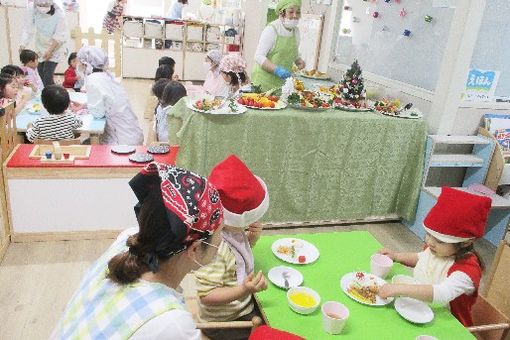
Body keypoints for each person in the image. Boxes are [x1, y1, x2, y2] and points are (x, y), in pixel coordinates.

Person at [51, 162, 224, 339]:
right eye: (220, 233)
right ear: (194, 249)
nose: (220, 242)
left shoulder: (126, 242)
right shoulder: (171, 324)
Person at [378, 186, 492, 327]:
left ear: (465, 243)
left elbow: (442, 293)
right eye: (429, 235)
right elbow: (421, 258)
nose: (430, 242)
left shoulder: (467, 271)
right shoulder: (439, 250)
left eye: (439, 240)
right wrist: (396, 256)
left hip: (449, 324)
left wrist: (399, 288)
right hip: (419, 309)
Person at [195, 154, 269, 340]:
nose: (252, 221)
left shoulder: (228, 229)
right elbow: (206, 294)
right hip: (222, 322)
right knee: (270, 326)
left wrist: (252, 237)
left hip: (239, 301)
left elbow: (236, 259)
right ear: (233, 217)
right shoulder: (214, 248)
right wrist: (243, 290)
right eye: (249, 218)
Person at [71, 46, 144, 145]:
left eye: (79, 62)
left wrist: (87, 108)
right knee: (87, 142)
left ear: (85, 63)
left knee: (85, 144)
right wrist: (84, 105)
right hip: (132, 134)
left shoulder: (93, 79)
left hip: (121, 142)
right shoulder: (107, 76)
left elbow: (98, 113)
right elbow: (107, 100)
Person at [251, 0, 305, 91]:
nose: (295, 16)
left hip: (282, 83)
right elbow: (258, 56)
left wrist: (299, 61)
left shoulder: (296, 32)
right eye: (291, 12)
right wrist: (277, 70)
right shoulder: (271, 30)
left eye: (298, 12)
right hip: (263, 82)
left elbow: (293, 52)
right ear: (281, 13)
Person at [19, 0, 69, 86]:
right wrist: (23, 44)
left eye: (45, 5)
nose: (42, 7)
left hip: (56, 47)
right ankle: (51, 94)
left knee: (47, 77)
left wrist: (50, 50)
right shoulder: (32, 8)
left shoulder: (59, 11)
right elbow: (28, 28)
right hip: (41, 45)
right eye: (40, 5)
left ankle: (52, 97)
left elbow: (60, 34)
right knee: (41, 75)